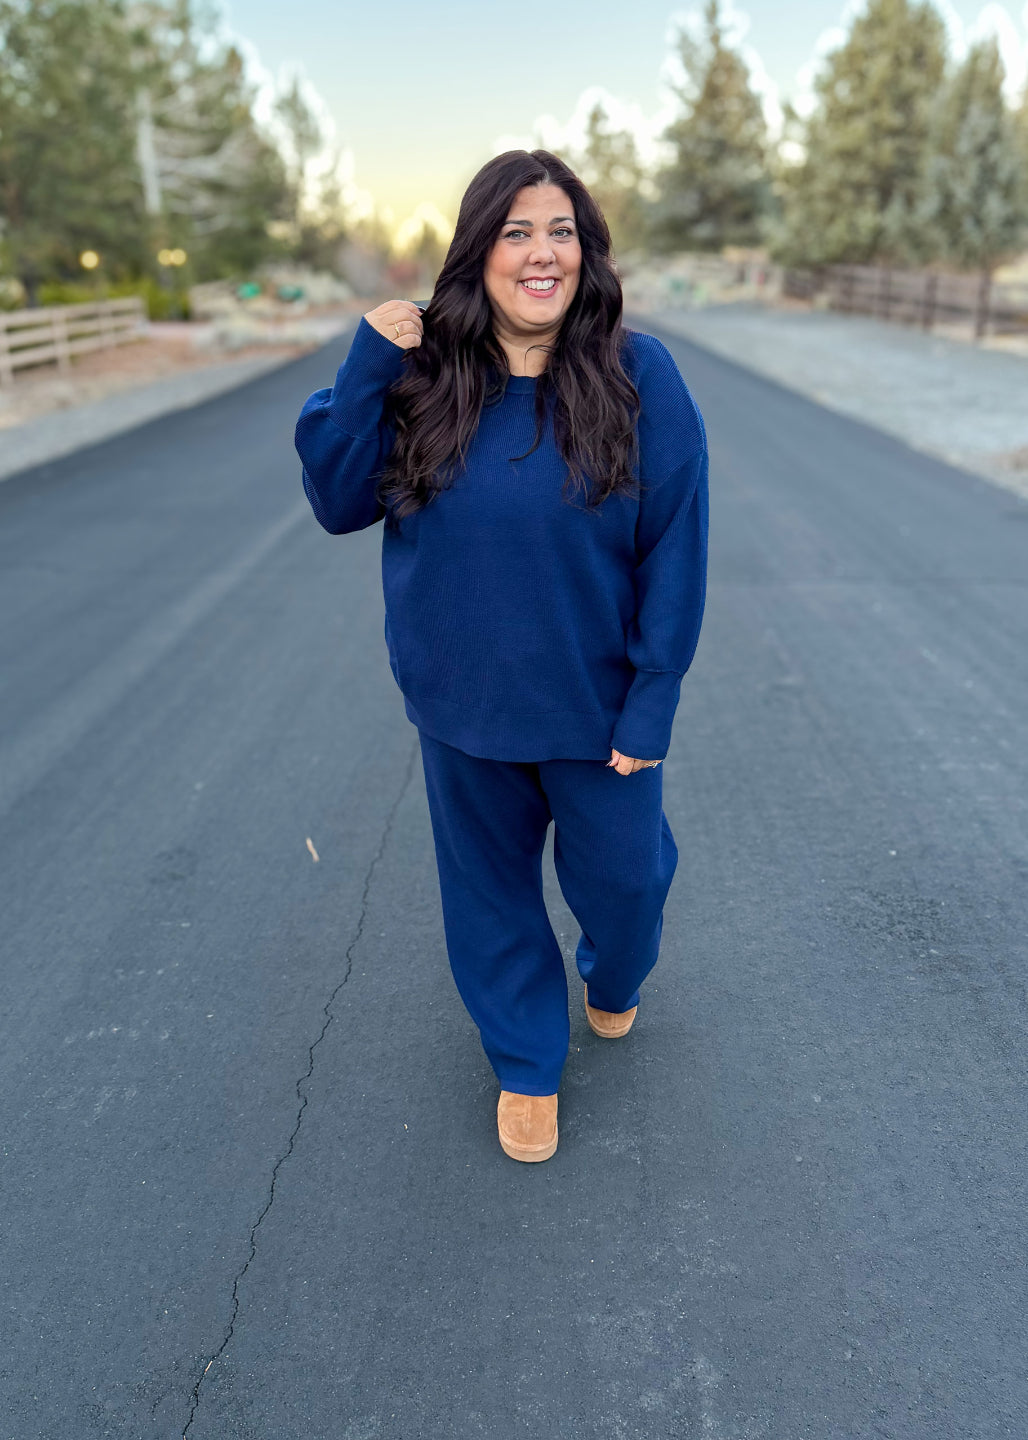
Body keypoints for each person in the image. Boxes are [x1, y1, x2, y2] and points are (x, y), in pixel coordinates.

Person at [295, 149, 709, 1164]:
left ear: (586, 253)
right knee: (488, 896)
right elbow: (338, 502)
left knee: (627, 885)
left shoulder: (639, 375)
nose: (541, 252)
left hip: (598, 712)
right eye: (516, 232)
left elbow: (675, 543)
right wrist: (366, 366)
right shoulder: (424, 380)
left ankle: (614, 973)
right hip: (463, 705)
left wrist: (653, 695)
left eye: (560, 231)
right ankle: (526, 1063)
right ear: (478, 252)